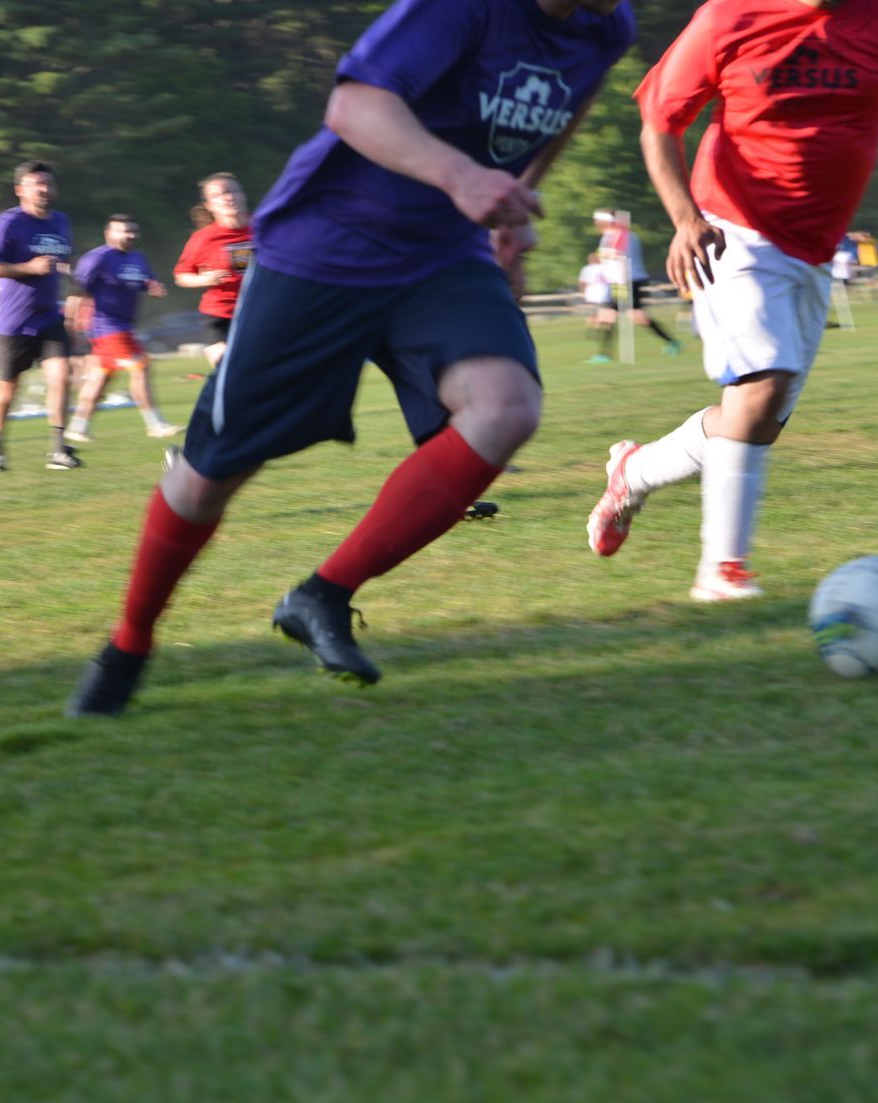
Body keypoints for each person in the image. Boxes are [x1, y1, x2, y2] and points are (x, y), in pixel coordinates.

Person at [68, 0, 636, 716]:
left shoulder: (607, 25)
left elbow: (568, 110)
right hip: (327, 246)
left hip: (442, 254)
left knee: (505, 406)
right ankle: (129, 643)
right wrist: (463, 178)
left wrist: (514, 208)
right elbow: (355, 106)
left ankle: (322, 596)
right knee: (212, 473)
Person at [585, 0, 878, 601]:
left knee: (753, 423)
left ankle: (634, 472)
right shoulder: (728, 17)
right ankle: (722, 571)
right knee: (761, 388)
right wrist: (684, 219)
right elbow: (660, 120)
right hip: (729, 229)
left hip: (814, 251)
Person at [0, 160, 77, 472]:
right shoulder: (7, 223)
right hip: (13, 322)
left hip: (49, 317)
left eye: (48, 183)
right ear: (21, 190)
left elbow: (62, 259)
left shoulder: (61, 221)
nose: (44, 189)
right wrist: (28, 268)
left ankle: (58, 449)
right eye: (37, 184)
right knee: (7, 389)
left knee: (61, 376)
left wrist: (75, 273)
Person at [66, 215, 176, 443]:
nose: (131, 235)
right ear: (108, 233)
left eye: (134, 231)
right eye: (124, 231)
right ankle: (155, 424)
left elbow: (146, 281)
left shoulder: (139, 257)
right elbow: (77, 292)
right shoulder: (97, 257)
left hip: (123, 325)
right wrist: (72, 325)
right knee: (141, 366)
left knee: (100, 378)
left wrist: (153, 287)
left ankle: (77, 427)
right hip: (106, 325)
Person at [172, 173, 255, 367]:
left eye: (232, 191)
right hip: (221, 315)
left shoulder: (266, 226)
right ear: (209, 205)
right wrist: (204, 279)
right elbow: (181, 276)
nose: (228, 197)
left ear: (243, 195)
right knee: (226, 369)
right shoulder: (203, 238)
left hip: (260, 310)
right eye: (219, 195)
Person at [593, 208, 682, 354]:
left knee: (635, 315)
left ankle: (672, 342)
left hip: (629, 279)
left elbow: (614, 253)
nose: (596, 223)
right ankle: (604, 353)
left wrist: (602, 255)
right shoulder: (609, 235)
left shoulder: (622, 234)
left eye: (598, 220)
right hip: (617, 280)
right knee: (607, 313)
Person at [578, 254, 616, 362]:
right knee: (606, 324)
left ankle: (595, 339)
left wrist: (582, 295)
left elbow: (582, 283)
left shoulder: (587, 269)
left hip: (593, 298)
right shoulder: (605, 267)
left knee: (595, 320)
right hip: (603, 298)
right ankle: (603, 349)